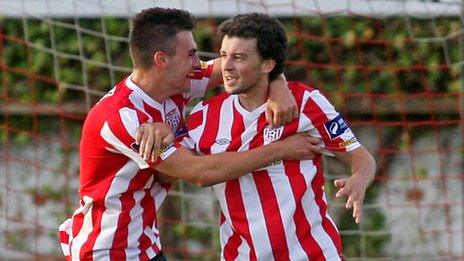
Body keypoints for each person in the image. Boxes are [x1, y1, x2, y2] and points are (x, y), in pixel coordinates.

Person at [58, 7, 322, 261]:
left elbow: (251, 65)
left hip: (144, 245)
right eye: (191, 55)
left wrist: (278, 84)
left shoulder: (181, 82)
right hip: (106, 250)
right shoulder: (121, 117)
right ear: (162, 60)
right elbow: (200, 173)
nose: (199, 63)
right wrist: (281, 150)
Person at [181, 13, 377, 260]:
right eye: (223, 55)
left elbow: (362, 158)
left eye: (239, 57)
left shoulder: (307, 103)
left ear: (267, 64)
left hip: (312, 254)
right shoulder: (203, 117)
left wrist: (359, 179)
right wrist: (163, 128)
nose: (226, 67)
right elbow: (183, 169)